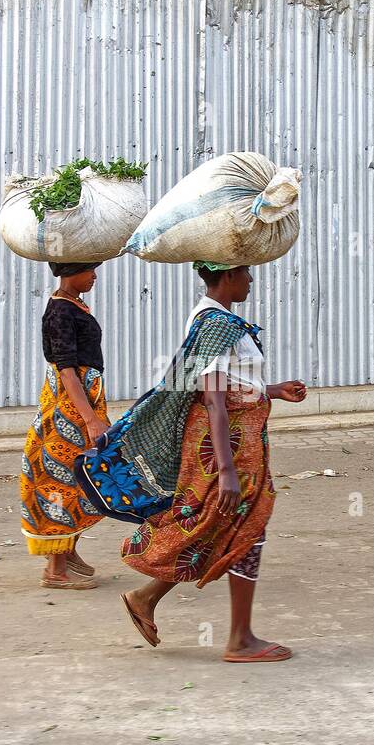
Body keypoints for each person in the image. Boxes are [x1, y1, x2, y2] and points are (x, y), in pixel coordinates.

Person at [79, 261, 306, 662]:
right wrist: (226, 470)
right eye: (246, 273)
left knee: (218, 527)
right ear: (228, 277)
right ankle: (239, 639)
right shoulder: (216, 325)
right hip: (228, 450)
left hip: (237, 446)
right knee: (240, 529)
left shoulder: (211, 320)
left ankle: (146, 598)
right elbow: (214, 399)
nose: (251, 281)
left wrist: (273, 390)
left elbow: (229, 385)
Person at [19, 262, 111, 589]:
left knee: (81, 475)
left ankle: (67, 549)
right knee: (61, 477)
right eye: (91, 271)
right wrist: (90, 418)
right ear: (72, 272)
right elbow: (67, 370)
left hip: (81, 400)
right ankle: (55, 570)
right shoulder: (60, 311)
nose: (95, 276)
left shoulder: (71, 304)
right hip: (70, 407)